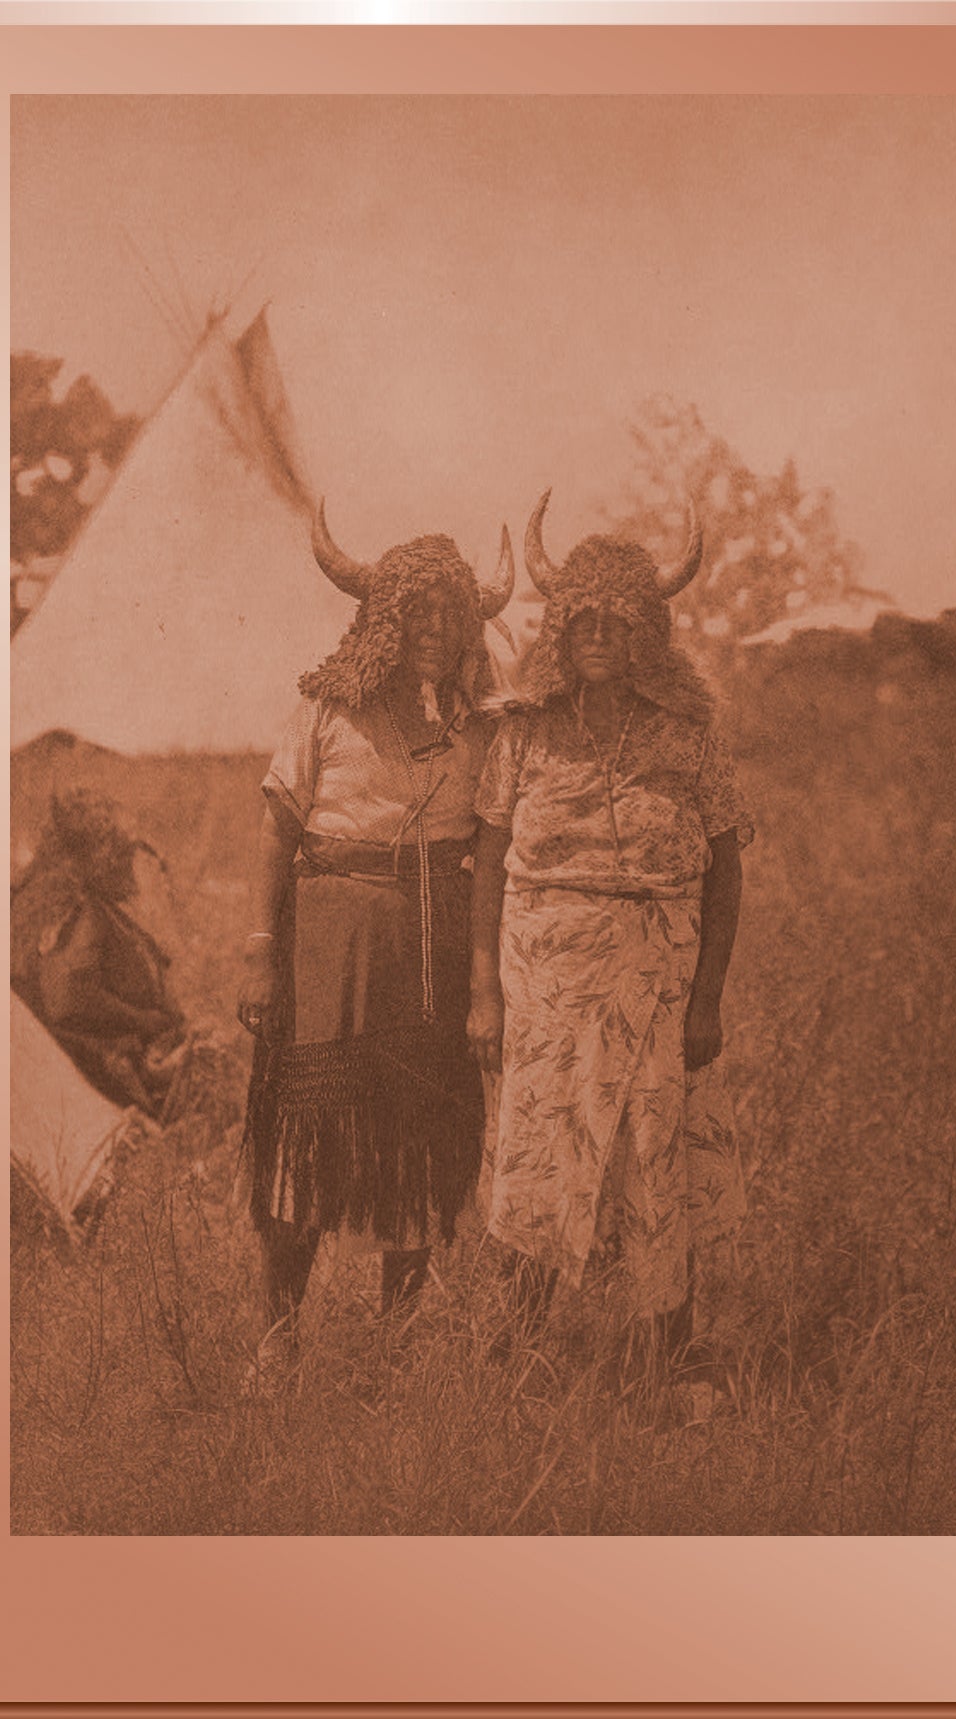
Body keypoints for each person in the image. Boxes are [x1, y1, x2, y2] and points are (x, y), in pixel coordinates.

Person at [467, 490, 752, 1379]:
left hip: (658, 988)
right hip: (543, 990)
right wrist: (483, 991)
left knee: (654, 1160)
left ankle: (670, 1362)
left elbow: (725, 867)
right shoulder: (523, 731)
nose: (596, 634)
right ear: (558, 628)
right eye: (580, 617)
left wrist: (706, 1000)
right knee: (538, 1162)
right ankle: (512, 1362)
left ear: (646, 634)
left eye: (617, 622)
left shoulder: (688, 733)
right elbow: (487, 854)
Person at [237, 506, 514, 1366]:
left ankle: (396, 1342)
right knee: (305, 1134)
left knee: (421, 1140)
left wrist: (482, 986)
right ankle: (280, 1336)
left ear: (470, 626)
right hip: (327, 942)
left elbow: (493, 855)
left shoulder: (482, 726)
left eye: (450, 615)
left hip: (431, 949)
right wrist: (258, 950)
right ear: (381, 621)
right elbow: (278, 828)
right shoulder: (325, 707)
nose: (433, 632)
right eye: (415, 614)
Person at [11, 787, 188, 1117]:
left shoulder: (91, 905)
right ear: (103, 857)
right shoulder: (82, 911)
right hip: (87, 1087)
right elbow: (68, 1000)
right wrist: (143, 1021)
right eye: (126, 851)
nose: (134, 861)